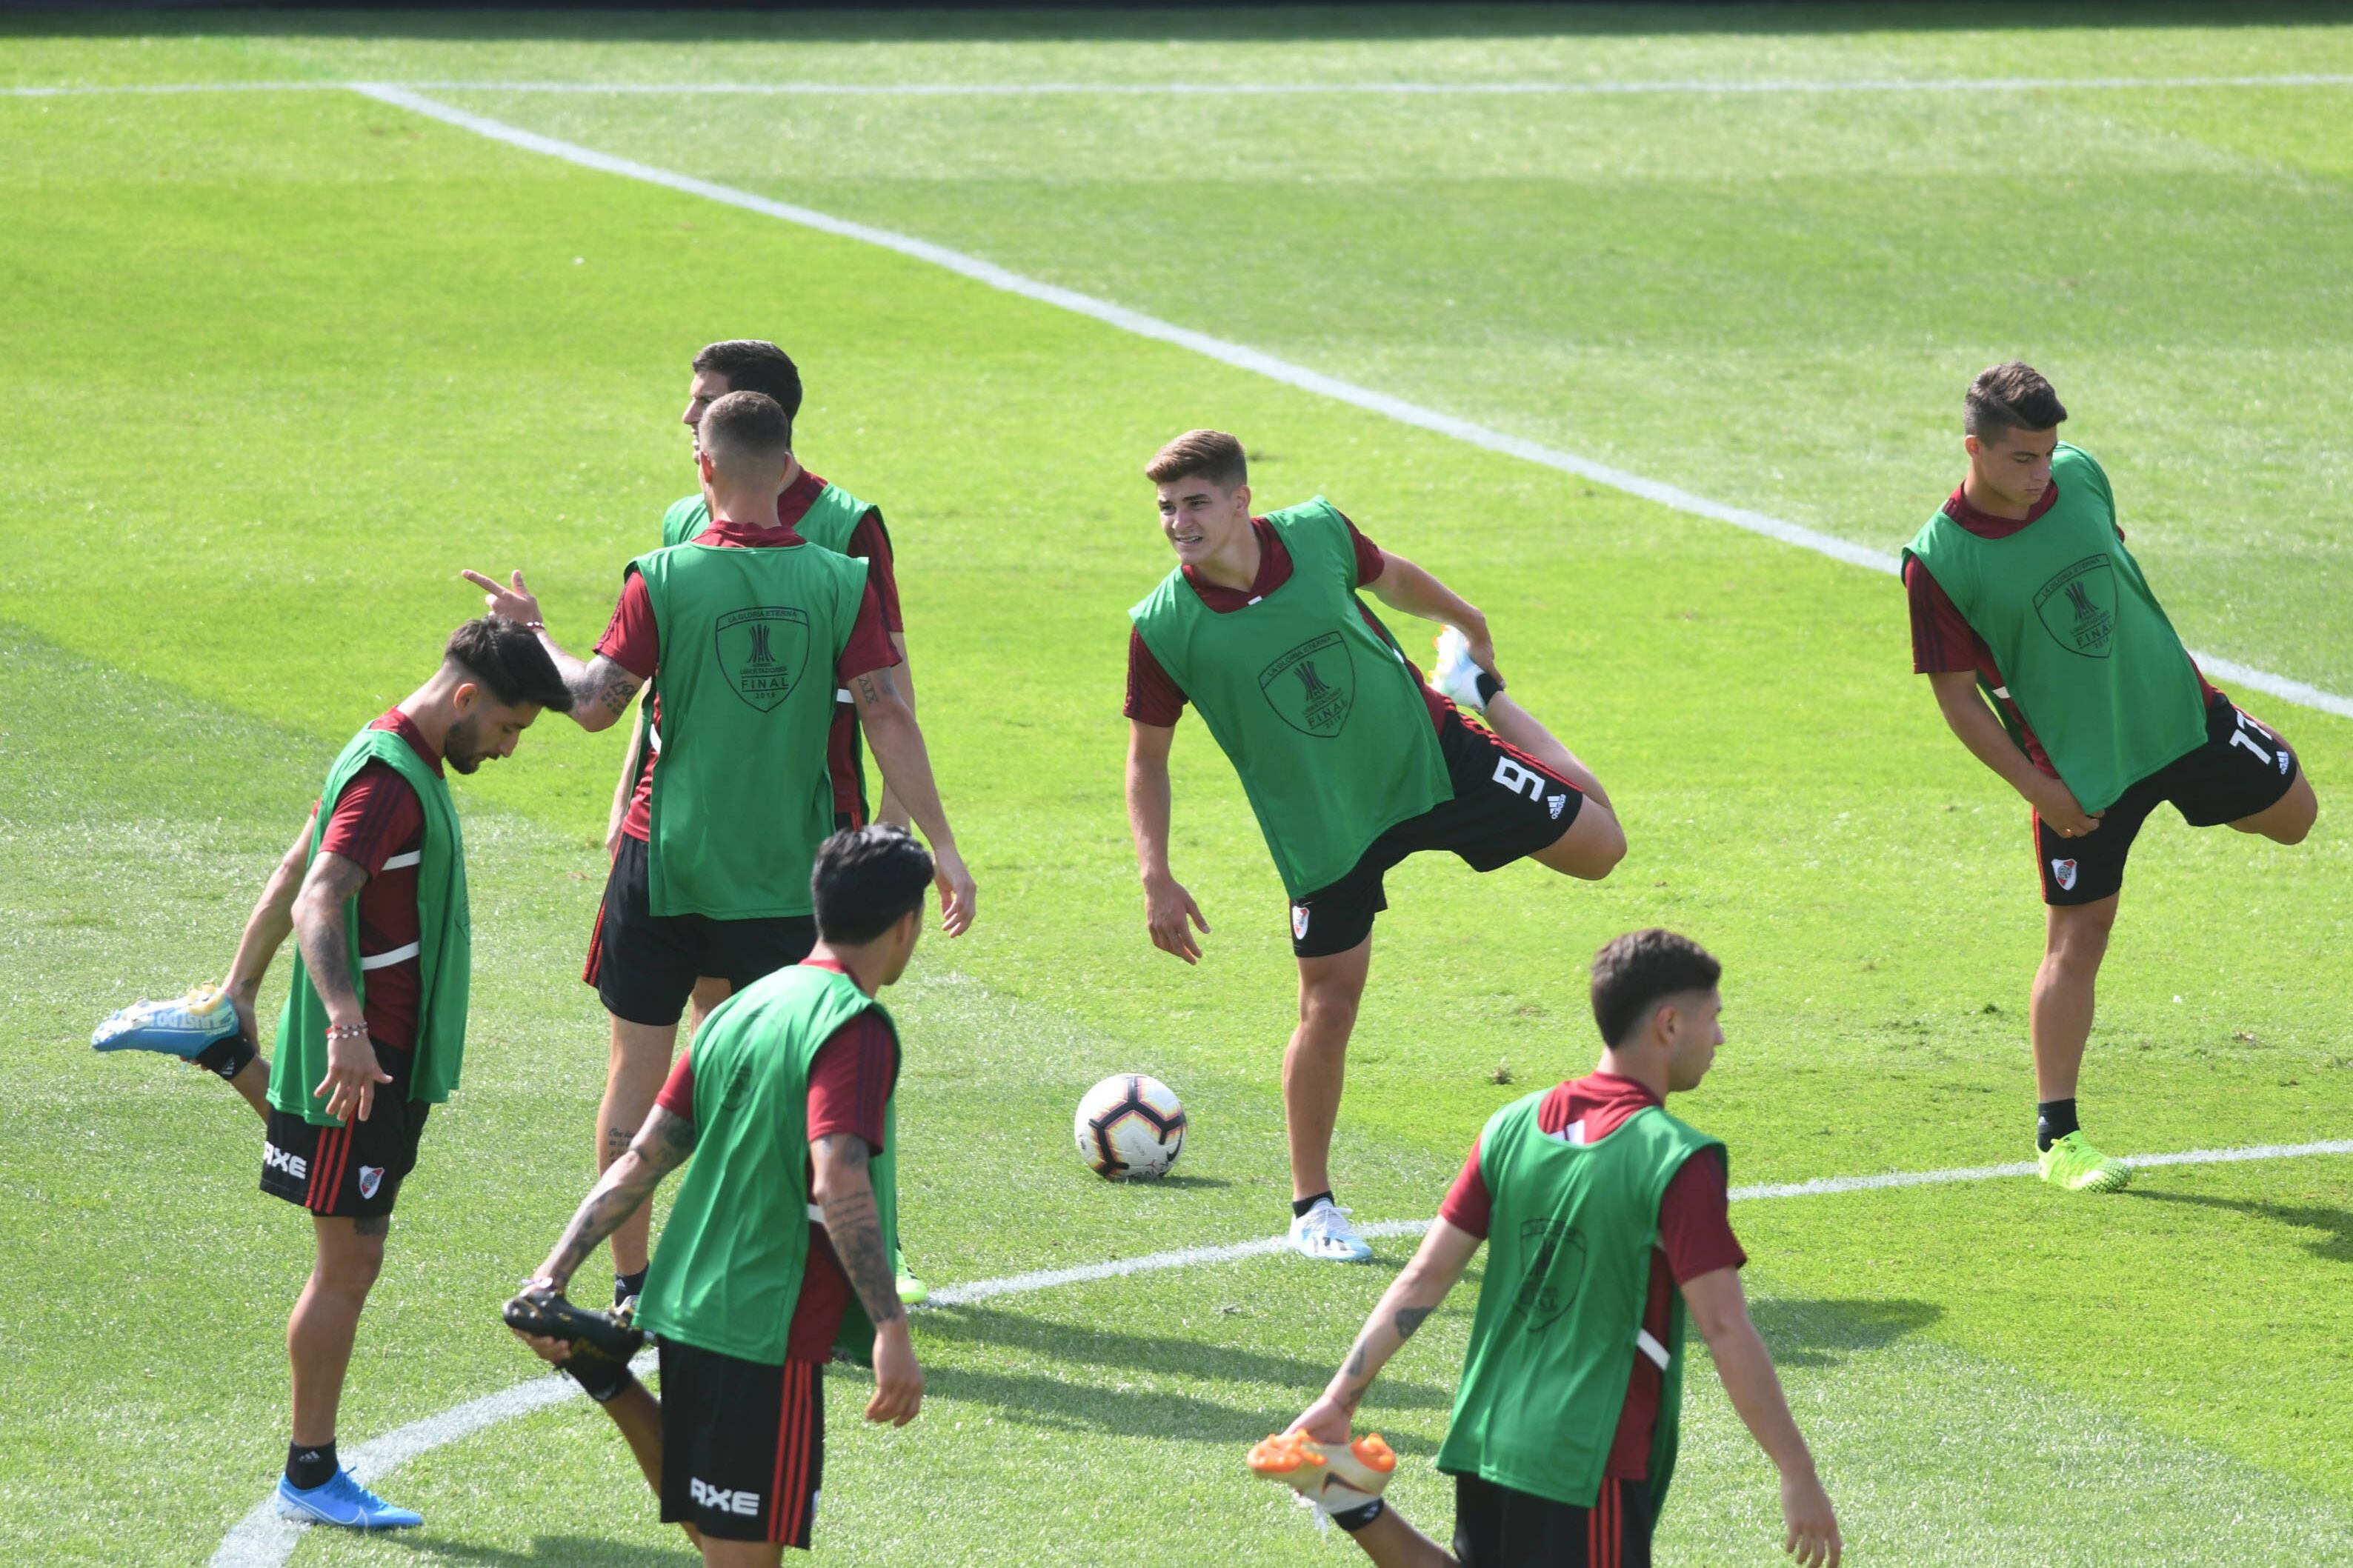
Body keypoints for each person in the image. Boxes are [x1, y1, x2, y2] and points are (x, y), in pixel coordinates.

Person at [462, 390, 974, 1316]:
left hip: (663, 863)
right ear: (785, 466)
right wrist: (940, 843)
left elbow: (594, 705)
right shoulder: (839, 580)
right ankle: (767, 1281)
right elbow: (887, 713)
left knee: (637, 1071)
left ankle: (629, 1284)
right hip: (782, 876)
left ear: (704, 466)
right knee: (785, 1083)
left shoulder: (662, 575)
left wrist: (535, 632)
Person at [93, 618, 572, 1530]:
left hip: (379, 1055)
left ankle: (219, 1043)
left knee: (350, 1230)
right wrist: (348, 1026)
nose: (509, 747)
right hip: (366, 1053)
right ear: (466, 697)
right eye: (509, 726)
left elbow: (295, 859)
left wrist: (238, 988)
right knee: (350, 1258)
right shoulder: (390, 780)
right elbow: (319, 893)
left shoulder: (386, 748)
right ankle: (308, 1471)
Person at [1124, 429, 1626, 1262]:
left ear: (1241, 500)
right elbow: (1146, 759)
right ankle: (1311, 1208)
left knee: (1601, 845)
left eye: (1196, 503)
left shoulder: (1317, 533)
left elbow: (1391, 576)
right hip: (1325, 826)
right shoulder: (1163, 627)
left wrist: (1466, 621)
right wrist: (1157, 876)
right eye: (1167, 508)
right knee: (1328, 1004)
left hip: (1428, 758)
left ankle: (1479, 695)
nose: (1179, 522)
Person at [1254, 930, 1841, 1568]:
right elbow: (1725, 1327)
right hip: (1586, 1458)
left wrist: (1340, 1398)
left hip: (1488, 1429)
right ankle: (1349, 1499)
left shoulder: (1513, 1126)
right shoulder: (1675, 1158)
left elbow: (1424, 1276)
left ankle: (1350, 1499)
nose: (1720, 1038)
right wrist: (1797, 1468)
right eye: (1714, 1018)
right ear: (1670, 1025)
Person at [1903, 363, 2317, 1192]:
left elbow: (2112, 578)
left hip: (2181, 719)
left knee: (2295, 816)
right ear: (1974, 449)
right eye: (2022, 458)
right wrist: (2038, 788)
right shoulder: (1938, 562)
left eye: (2048, 452)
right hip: (2079, 774)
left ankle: (2208, 789)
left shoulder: (2080, 474)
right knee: (2078, 937)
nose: (2040, 473)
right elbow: (1956, 699)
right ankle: (2058, 1137)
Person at [507, 826, 933, 1563]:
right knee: (740, 1548)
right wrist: (889, 1325)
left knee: (720, 1530)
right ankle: (607, 1377)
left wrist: (552, 1272)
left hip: (687, 1302)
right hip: (763, 1325)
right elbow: (838, 1177)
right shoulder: (853, 1027)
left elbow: (642, 1158)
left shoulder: (744, 1007)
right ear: (905, 924)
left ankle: (608, 1378)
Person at [626, 338, 931, 1305]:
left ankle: (860, 1242)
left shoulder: (848, 527)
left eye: (703, 402)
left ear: (751, 417)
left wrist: (893, 820)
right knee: (720, 1032)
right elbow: (663, 683)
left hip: (814, 821)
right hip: (697, 830)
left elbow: (889, 682)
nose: (687, 418)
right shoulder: (685, 520)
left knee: (820, 1040)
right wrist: (628, 789)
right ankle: (728, 1249)